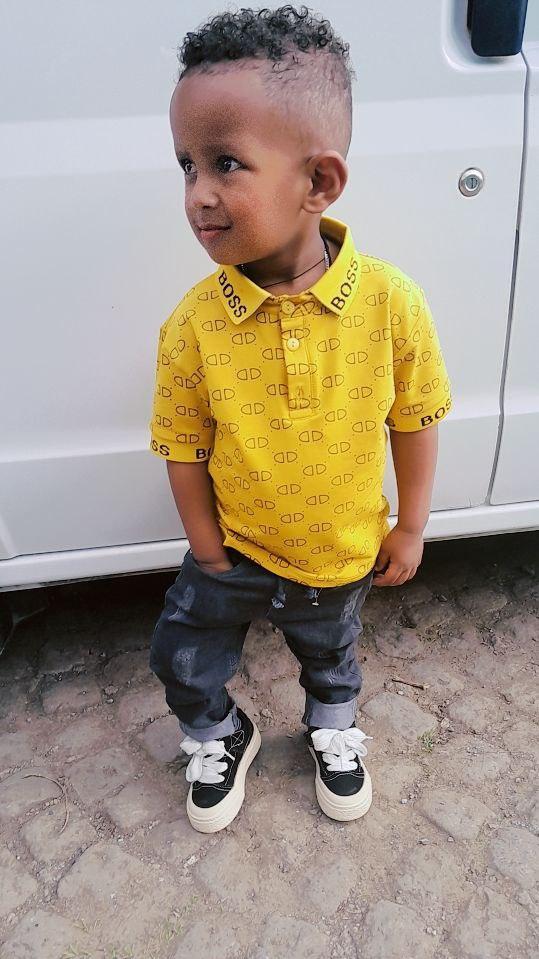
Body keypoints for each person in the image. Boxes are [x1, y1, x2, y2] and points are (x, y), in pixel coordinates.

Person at [148, 4, 451, 834]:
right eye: (185, 166)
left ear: (318, 182)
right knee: (180, 654)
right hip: (233, 549)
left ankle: (331, 725)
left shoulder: (390, 302)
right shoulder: (194, 323)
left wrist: (411, 525)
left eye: (225, 163)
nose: (198, 194)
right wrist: (207, 550)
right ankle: (220, 732)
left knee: (330, 652)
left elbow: (415, 416)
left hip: (338, 550)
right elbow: (182, 443)